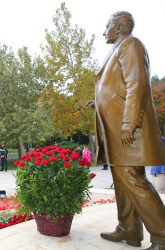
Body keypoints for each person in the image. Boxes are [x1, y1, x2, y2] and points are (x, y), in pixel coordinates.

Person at [87, 11, 165, 249]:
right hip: (116, 126)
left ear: (119, 27)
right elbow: (118, 87)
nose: (104, 32)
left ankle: (162, 235)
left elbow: (137, 83)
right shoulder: (119, 47)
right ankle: (129, 230)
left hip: (128, 128)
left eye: (107, 27)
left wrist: (129, 122)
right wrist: (99, 103)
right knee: (122, 179)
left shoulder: (130, 44)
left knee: (132, 178)